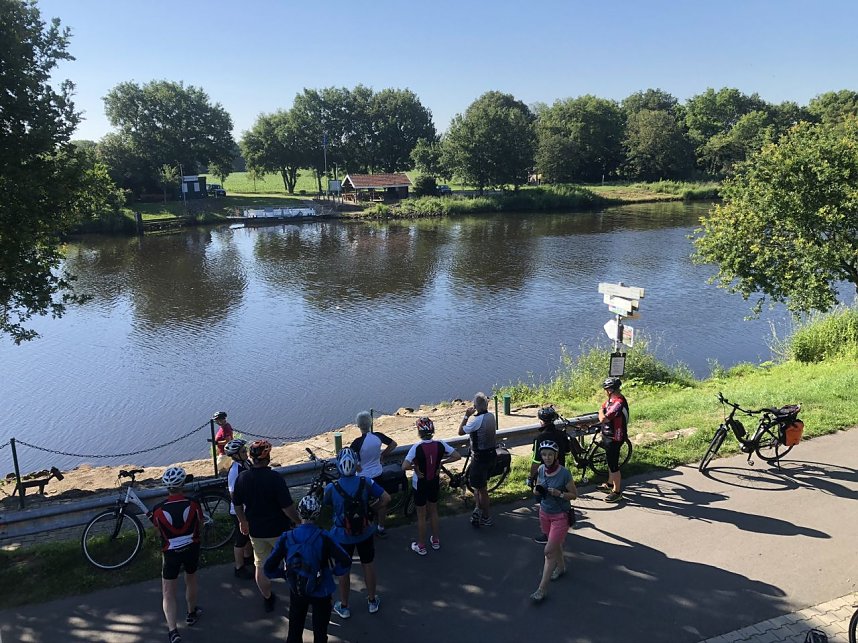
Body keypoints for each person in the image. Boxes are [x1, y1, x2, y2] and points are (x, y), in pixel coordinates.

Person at [263, 495, 352, 643]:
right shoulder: (324, 537)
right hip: (322, 589)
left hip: (297, 587)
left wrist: (284, 574)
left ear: (299, 512)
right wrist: (334, 571)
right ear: (317, 514)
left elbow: (268, 567)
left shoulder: (287, 537)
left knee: (295, 630)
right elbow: (345, 560)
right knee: (320, 632)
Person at [232, 439, 301, 613]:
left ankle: (268, 598)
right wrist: (299, 521)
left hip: (256, 531)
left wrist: (242, 521)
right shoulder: (275, 478)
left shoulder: (242, 478)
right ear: (268, 457)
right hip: (279, 530)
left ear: (251, 458)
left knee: (260, 565)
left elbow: (237, 504)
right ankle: (297, 595)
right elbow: (287, 507)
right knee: (289, 562)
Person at [323, 446, 390, 618]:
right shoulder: (366, 482)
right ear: (356, 465)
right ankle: (372, 601)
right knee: (368, 564)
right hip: (365, 531)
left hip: (341, 535)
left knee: (344, 570)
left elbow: (326, 503)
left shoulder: (332, 487)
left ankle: (344, 606)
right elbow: (386, 498)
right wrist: (372, 509)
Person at [149, 466, 204, 643]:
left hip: (171, 553)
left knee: (168, 592)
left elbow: (158, 532)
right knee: (191, 580)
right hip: (191, 548)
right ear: (183, 484)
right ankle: (191, 613)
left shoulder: (157, 510)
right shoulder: (194, 503)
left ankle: (173, 631)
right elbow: (200, 524)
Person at [402, 417, 461, 555]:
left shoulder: (416, 447)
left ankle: (421, 545)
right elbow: (457, 456)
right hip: (434, 481)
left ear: (419, 432)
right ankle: (435, 540)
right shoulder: (440, 444)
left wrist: (415, 468)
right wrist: (441, 463)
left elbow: (404, 466)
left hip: (420, 484)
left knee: (421, 515)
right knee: (433, 511)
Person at [529, 441, 577, 603]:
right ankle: (561, 568)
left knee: (549, 551)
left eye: (550, 454)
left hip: (560, 517)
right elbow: (538, 488)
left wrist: (559, 493)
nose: (547, 458)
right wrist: (537, 490)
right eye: (544, 455)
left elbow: (574, 494)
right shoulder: (541, 469)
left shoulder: (564, 473)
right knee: (555, 545)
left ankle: (542, 589)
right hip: (544, 513)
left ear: (556, 455)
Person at [350, 410, 397, 538]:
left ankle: (366, 521)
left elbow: (350, 458)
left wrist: (358, 467)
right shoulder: (378, 436)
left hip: (363, 478)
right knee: (382, 501)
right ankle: (381, 528)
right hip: (378, 473)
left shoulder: (357, 442)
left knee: (363, 503)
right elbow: (393, 444)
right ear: (370, 423)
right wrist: (383, 455)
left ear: (359, 426)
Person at [528, 406, 572, 544]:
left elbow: (535, 461)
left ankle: (549, 535)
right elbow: (567, 451)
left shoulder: (539, 438)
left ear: (541, 421)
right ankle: (560, 529)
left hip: (545, 474)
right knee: (561, 500)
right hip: (561, 473)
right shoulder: (561, 434)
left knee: (545, 504)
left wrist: (530, 477)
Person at [458, 392, 497, 527]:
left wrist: (466, 416)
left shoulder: (476, 420)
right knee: (478, 486)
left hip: (480, 459)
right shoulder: (491, 416)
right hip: (491, 455)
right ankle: (478, 509)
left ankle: (486, 517)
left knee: (482, 490)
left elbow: (461, 431)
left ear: (475, 406)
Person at [224, 438, 254, 579]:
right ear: (235, 455)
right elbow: (232, 493)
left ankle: (248, 558)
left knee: (248, 536)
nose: (246, 452)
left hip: (248, 508)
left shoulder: (247, 463)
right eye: (243, 451)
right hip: (239, 510)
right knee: (241, 539)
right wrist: (241, 509)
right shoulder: (235, 470)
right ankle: (239, 567)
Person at [598, 377, 630, 503]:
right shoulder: (612, 399)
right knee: (610, 462)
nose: (605, 392)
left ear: (610, 390)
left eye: (606, 389)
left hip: (615, 437)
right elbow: (605, 405)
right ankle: (610, 484)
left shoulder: (618, 402)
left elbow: (603, 418)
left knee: (613, 465)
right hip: (608, 435)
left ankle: (617, 492)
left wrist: (600, 411)